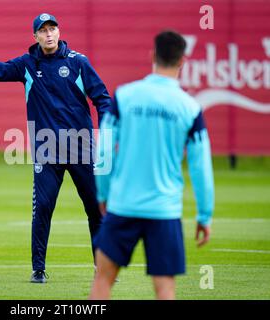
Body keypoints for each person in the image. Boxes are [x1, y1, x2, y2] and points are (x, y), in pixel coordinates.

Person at [0, 13, 111, 283]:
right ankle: (38, 269)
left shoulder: (78, 63)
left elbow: (102, 99)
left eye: (53, 29)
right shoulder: (27, 64)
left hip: (82, 148)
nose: (49, 34)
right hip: (47, 150)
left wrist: (110, 134)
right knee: (42, 207)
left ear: (59, 32)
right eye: (43, 30)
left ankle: (103, 267)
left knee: (95, 208)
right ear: (35, 37)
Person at [89, 30, 215, 300]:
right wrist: (204, 215)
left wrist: (103, 194)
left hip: (123, 205)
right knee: (165, 289)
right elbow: (201, 167)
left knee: (103, 279)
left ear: (152, 56)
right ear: (182, 61)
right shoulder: (190, 108)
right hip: (164, 210)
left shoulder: (125, 96)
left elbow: (103, 150)